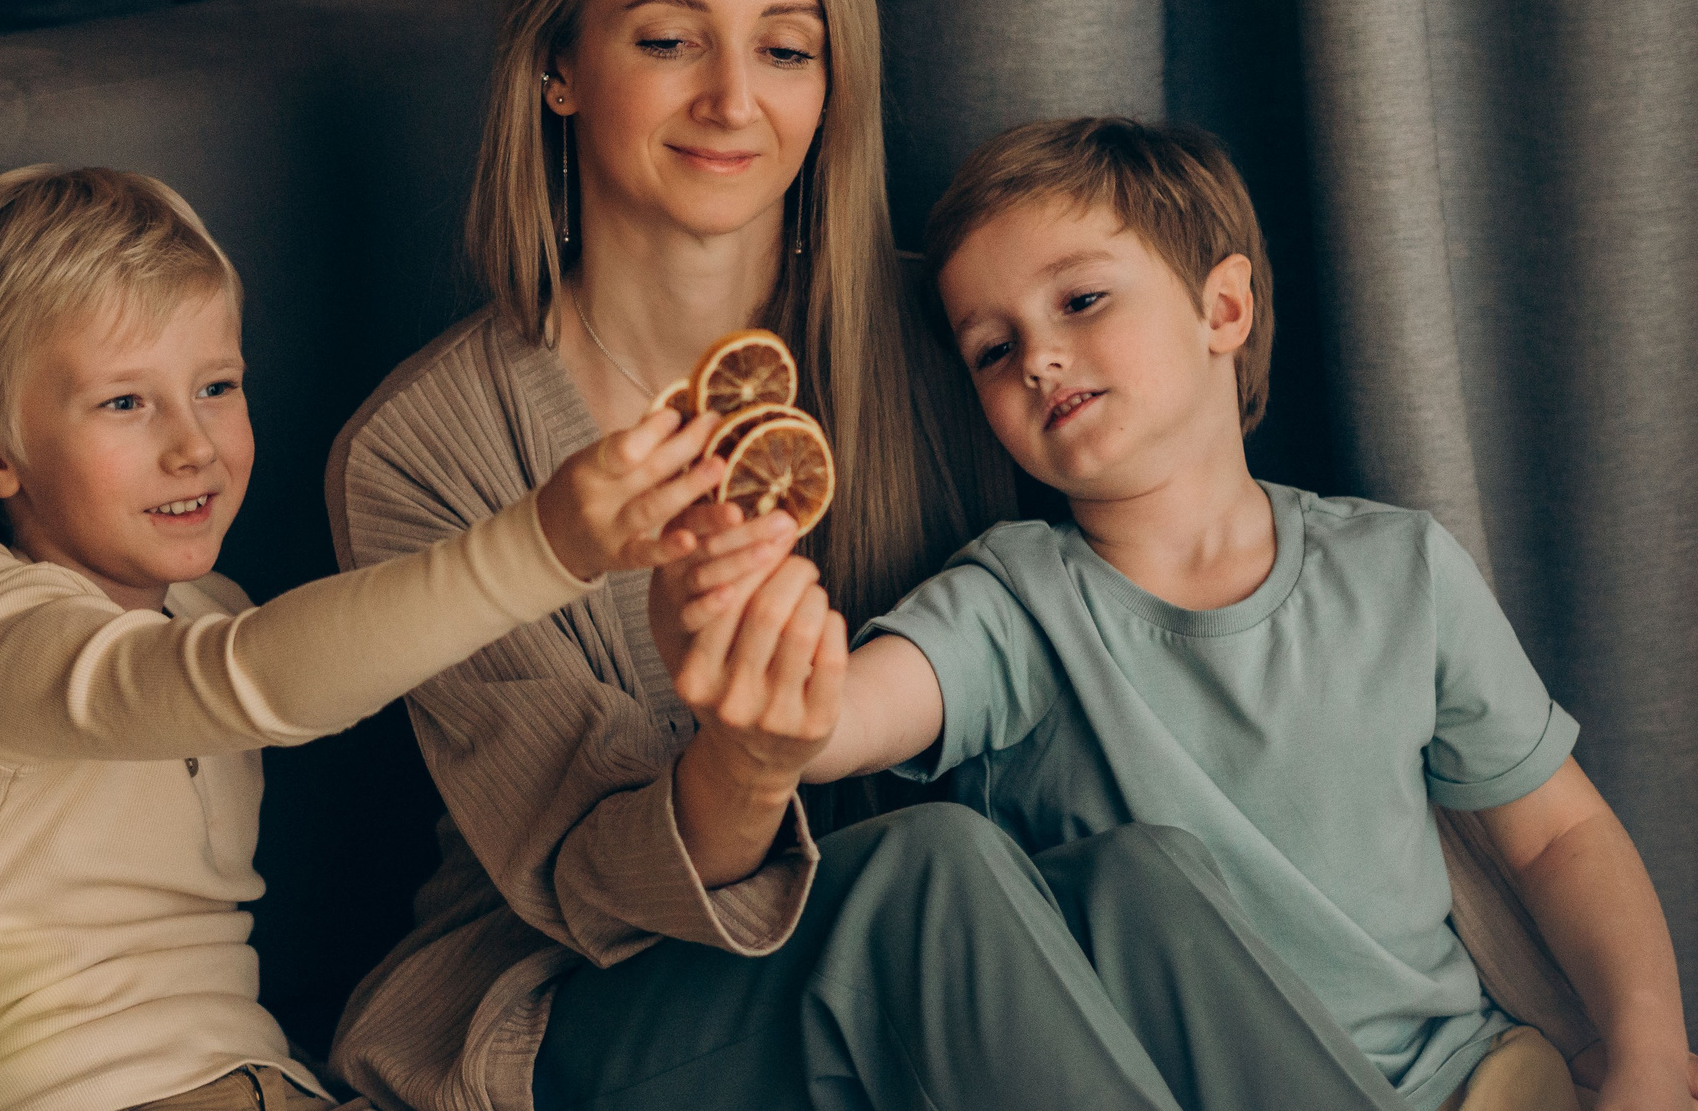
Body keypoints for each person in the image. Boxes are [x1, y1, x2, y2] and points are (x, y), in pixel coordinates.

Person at [328, 0, 1434, 1111]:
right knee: (935, 870)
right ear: (559, 65)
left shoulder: (963, 341)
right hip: (574, 1004)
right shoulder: (422, 450)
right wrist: (745, 755)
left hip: (955, 952)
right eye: (670, 39)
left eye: (786, 49)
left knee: (1145, 870)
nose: (734, 99)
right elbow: (592, 890)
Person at [663, 116, 1692, 1111]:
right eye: (990, 348)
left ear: (1224, 310)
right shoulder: (1016, 601)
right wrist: (754, 670)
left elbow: (1558, 836)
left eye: (1080, 299)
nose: (1036, 357)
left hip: (1474, 1081)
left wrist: (1648, 1049)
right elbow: (850, 712)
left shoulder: (1399, 571)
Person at [0, 164, 767, 1111]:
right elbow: (251, 679)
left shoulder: (208, 608)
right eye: (125, 402)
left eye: (216, 385)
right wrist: (542, 545)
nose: (194, 445)